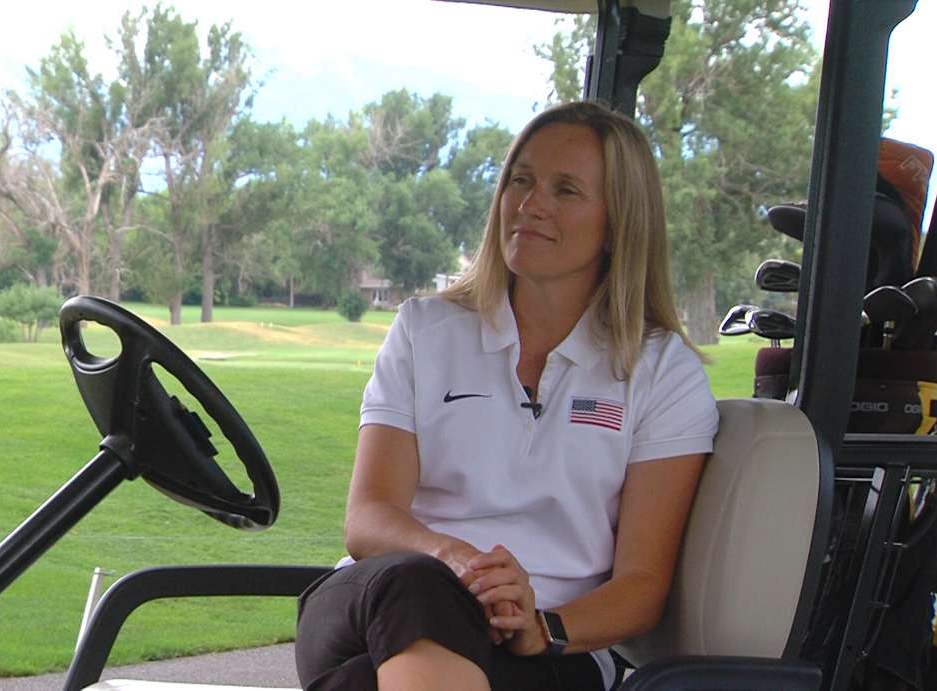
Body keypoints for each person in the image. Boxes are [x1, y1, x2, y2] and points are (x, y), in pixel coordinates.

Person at [293, 101, 720, 691]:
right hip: (382, 599)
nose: (530, 204)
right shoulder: (424, 330)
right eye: (521, 180)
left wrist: (543, 626)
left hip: (553, 642)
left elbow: (642, 586)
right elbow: (369, 519)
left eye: (565, 190)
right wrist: (457, 561)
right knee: (420, 586)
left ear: (619, 221)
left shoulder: (661, 371)